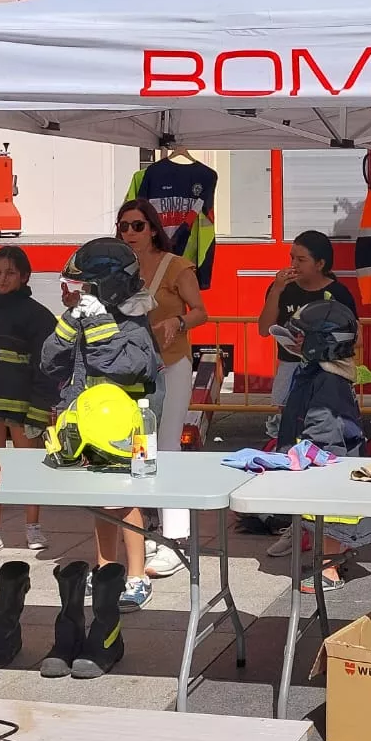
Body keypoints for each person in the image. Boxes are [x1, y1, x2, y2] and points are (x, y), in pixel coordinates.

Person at [41, 237, 160, 608]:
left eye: (85, 287)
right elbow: (50, 363)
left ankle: (137, 575)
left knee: (126, 499)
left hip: (128, 427)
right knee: (101, 501)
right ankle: (107, 569)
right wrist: (69, 322)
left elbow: (122, 365)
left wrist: (98, 321)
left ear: (106, 287)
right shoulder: (87, 317)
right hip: (91, 426)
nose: (78, 293)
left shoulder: (134, 324)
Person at [116, 198, 209, 576]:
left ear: (153, 229)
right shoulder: (117, 267)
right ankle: (150, 531)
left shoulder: (176, 265)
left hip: (171, 363)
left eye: (138, 225)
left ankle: (176, 537)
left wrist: (178, 323)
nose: (130, 232)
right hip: (131, 367)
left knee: (167, 444)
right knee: (139, 449)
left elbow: (200, 311)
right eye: (124, 226)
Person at [258, 230, 359, 557]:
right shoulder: (285, 288)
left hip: (325, 371)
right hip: (291, 369)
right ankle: (295, 526)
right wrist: (276, 289)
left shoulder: (338, 293)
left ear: (321, 263)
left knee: (320, 444)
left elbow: (349, 336)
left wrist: (319, 348)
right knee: (288, 438)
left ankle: (329, 537)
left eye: (301, 259)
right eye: (292, 258)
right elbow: (263, 328)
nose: (294, 264)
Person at [277, 300, 371, 593]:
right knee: (324, 519)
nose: (295, 340)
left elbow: (325, 428)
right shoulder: (321, 371)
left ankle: (328, 570)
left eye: (301, 335)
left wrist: (305, 455)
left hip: (328, 464)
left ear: (321, 341)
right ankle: (329, 561)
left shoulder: (328, 380)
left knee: (330, 517)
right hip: (327, 458)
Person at [0, 246, 57, 555]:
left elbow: (47, 366)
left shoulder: (38, 317)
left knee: (30, 467)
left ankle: (33, 527)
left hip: (24, 408)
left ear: (24, 276)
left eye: (10, 273)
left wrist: (39, 408)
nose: (2, 279)